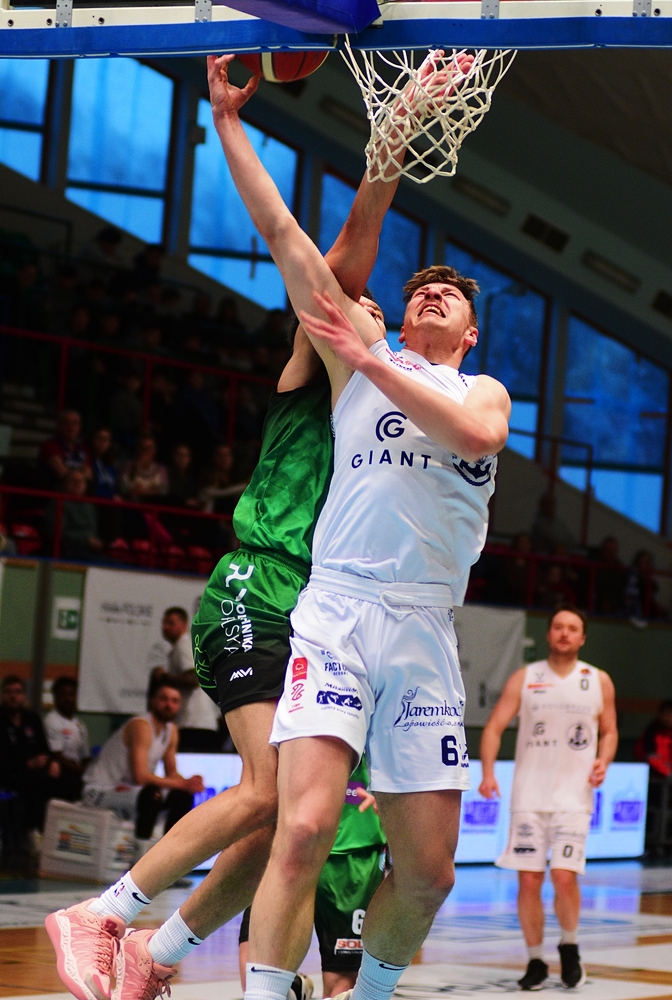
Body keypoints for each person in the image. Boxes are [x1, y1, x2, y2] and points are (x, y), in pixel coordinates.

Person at [45, 50, 427, 1000]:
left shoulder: (405, 417)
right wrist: (368, 136)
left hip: (325, 616)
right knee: (264, 792)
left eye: (366, 306)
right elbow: (322, 238)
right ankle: (104, 914)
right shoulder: (321, 364)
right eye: (347, 302)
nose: (356, 303)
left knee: (296, 818)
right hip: (261, 583)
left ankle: (158, 955)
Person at [202, 52, 509, 1000]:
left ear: (468, 334)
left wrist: (373, 363)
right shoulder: (354, 353)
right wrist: (228, 124)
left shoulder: (480, 389)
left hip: (423, 626)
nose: (431, 293)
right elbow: (284, 233)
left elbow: (472, 434)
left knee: (429, 875)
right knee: (299, 827)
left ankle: (368, 994)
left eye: (450, 296)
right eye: (421, 289)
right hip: (335, 611)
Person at [478, 605, 618, 990]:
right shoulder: (526, 677)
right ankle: (535, 959)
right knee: (529, 881)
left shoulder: (598, 680)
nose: (564, 633)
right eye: (558, 626)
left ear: (582, 637)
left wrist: (604, 760)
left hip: (574, 798)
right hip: (529, 796)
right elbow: (493, 728)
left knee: (563, 876)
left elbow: (609, 731)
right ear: (548, 633)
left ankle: (570, 947)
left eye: (572, 628)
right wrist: (487, 773)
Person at [239, 758, 387, 1000]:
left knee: (341, 985)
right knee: (255, 982)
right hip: (286, 841)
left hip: (353, 849)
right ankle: (294, 989)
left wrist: (392, 799)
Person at [78, 679, 204, 857]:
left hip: (128, 790)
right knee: (151, 795)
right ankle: (140, 861)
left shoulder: (172, 730)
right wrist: (183, 783)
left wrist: (190, 783)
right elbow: (140, 777)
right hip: (99, 789)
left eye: (174, 701)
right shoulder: (141, 725)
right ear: (153, 701)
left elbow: (172, 774)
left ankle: (167, 857)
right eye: (164, 699)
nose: (169, 705)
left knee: (182, 797)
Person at [156, 607, 220, 752]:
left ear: (183, 625)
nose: (165, 627)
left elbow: (194, 679)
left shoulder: (183, 645)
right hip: (201, 723)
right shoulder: (190, 645)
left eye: (171, 623)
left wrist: (164, 677)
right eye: (164, 623)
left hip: (192, 723)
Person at [0, 674, 52, 854]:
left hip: (32, 774)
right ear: (3, 695)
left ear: (23, 696)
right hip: (7, 774)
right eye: (8, 692)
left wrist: (50, 762)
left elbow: (44, 748)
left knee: (47, 781)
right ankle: (21, 835)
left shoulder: (32, 719)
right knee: (29, 783)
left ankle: (36, 831)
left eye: (17, 692)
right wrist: (26, 764)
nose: (13, 696)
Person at [636, 699, 672, 842]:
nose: (670, 718)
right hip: (655, 783)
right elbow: (649, 757)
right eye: (667, 714)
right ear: (660, 715)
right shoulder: (651, 735)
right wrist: (667, 773)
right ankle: (653, 843)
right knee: (655, 811)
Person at [44, 676, 91, 803]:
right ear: (55, 697)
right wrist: (83, 771)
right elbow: (57, 756)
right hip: (60, 776)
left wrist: (88, 771)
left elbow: (86, 756)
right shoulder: (51, 720)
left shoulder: (80, 724)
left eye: (71, 694)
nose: (67, 698)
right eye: (63, 694)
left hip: (78, 775)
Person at [39, 409, 91, 488]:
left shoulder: (83, 448)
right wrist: (79, 474)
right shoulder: (50, 446)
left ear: (80, 427)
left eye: (74, 423)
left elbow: (89, 475)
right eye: (66, 423)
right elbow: (64, 474)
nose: (71, 428)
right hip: (56, 490)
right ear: (58, 425)